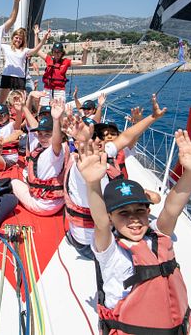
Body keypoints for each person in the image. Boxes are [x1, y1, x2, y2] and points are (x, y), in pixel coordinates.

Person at [76, 130, 191, 334]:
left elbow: (172, 209)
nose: (134, 218)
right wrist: (92, 184)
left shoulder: (159, 236)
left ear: (148, 211)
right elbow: (100, 222)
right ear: (111, 217)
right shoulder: (109, 249)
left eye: (139, 211)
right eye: (123, 213)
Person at [63, 95, 166, 259]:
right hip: (92, 243)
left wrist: (152, 117)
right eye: (91, 137)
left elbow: (125, 137)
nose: (97, 140)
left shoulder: (102, 152)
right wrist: (84, 138)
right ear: (77, 144)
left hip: (90, 232)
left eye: (98, 136)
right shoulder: (82, 168)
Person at [11, 98, 68, 216]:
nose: (42, 138)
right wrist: (24, 107)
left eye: (48, 135)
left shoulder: (54, 151)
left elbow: (56, 142)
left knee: (13, 182)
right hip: (58, 202)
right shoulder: (50, 147)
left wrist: (57, 120)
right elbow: (34, 126)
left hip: (43, 206)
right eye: (40, 134)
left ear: (58, 135)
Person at [0, 27, 50, 103]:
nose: (18, 40)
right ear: (13, 37)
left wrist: (44, 39)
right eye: (16, 38)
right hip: (7, 76)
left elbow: (36, 50)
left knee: (21, 101)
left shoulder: (25, 50)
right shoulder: (6, 47)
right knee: (2, 101)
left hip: (20, 78)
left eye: (20, 39)